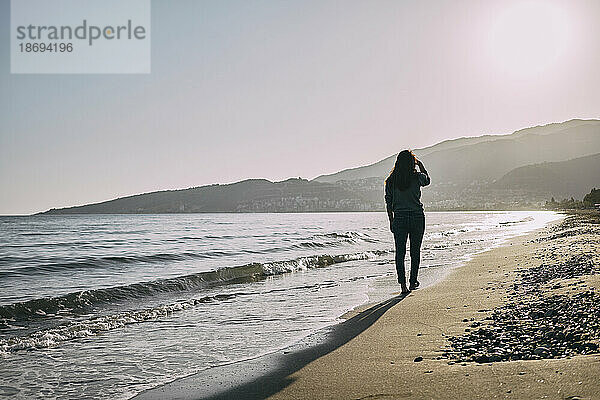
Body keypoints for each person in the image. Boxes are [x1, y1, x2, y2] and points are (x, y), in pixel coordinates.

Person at [384, 150, 430, 294]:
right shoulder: (417, 177)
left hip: (400, 219)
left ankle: (402, 285)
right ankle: (412, 282)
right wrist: (421, 164)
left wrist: (391, 221)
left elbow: (389, 204)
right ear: (412, 163)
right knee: (415, 252)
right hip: (417, 217)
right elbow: (427, 180)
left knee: (400, 253)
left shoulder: (391, 181)